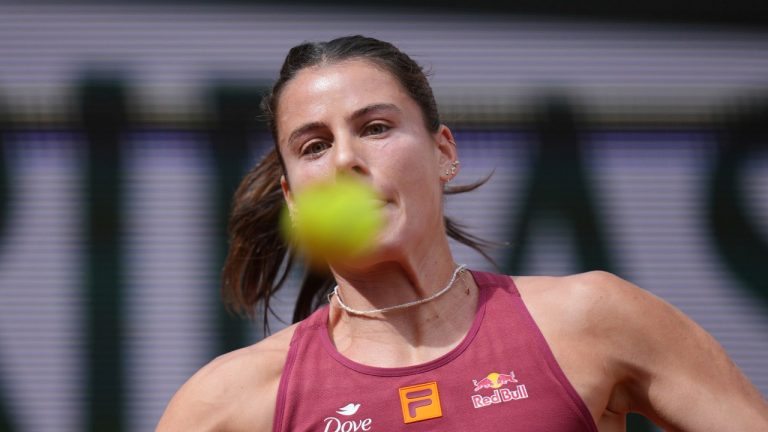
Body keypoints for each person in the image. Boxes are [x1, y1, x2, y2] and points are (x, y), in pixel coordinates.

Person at [157, 35, 768, 431]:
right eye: (314, 146)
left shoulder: (594, 317)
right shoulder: (228, 404)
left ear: (443, 151)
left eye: (375, 128)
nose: (345, 160)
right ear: (293, 200)